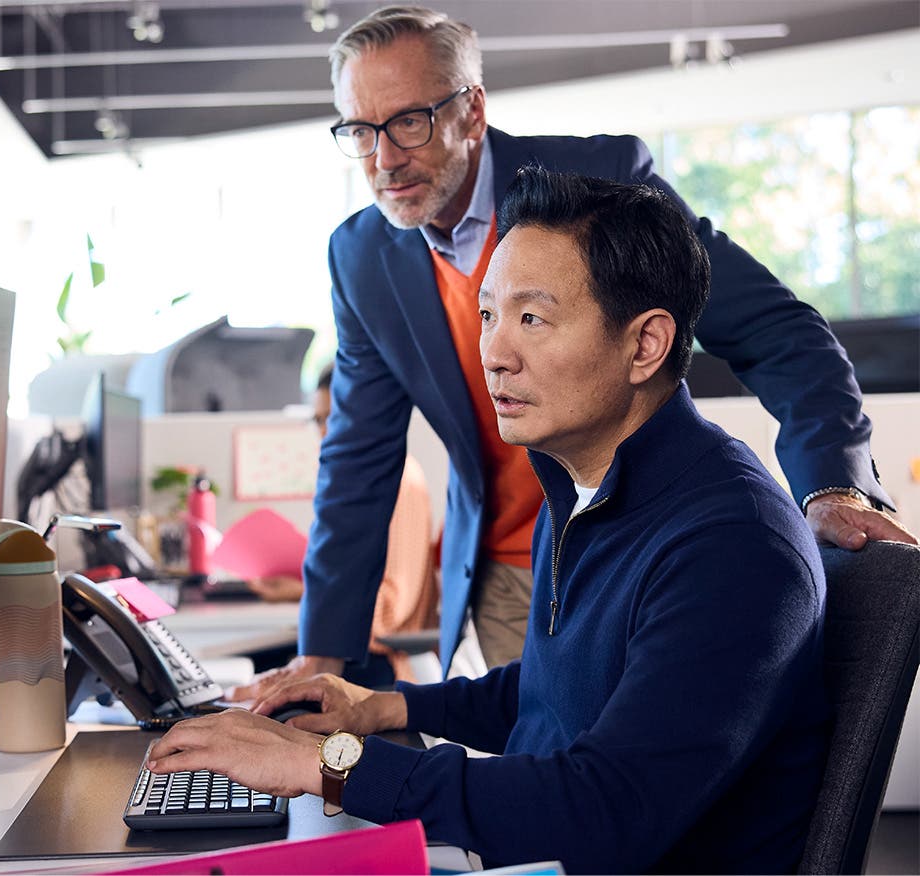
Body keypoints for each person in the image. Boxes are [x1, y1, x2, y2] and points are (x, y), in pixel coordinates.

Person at [147, 167, 832, 873]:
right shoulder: (579, 493)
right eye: (488, 316)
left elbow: (601, 812)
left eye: (531, 318)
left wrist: (326, 762)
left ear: (645, 345)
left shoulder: (731, 546)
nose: (495, 356)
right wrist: (383, 708)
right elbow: (549, 693)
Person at [269, 4, 914, 684]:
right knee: (534, 772)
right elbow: (357, 462)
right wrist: (322, 656)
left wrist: (835, 486)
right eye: (360, 130)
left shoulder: (600, 185)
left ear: (472, 111)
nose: (384, 159)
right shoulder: (362, 255)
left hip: (638, 553)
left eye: (408, 122)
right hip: (503, 578)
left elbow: (779, 331)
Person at [246, 363, 438, 685]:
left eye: (334, 417)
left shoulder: (398, 479)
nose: (325, 432)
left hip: (381, 664)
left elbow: (390, 611)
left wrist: (301, 592)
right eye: (318, 420)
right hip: (359, 651)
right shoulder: (371, 479)